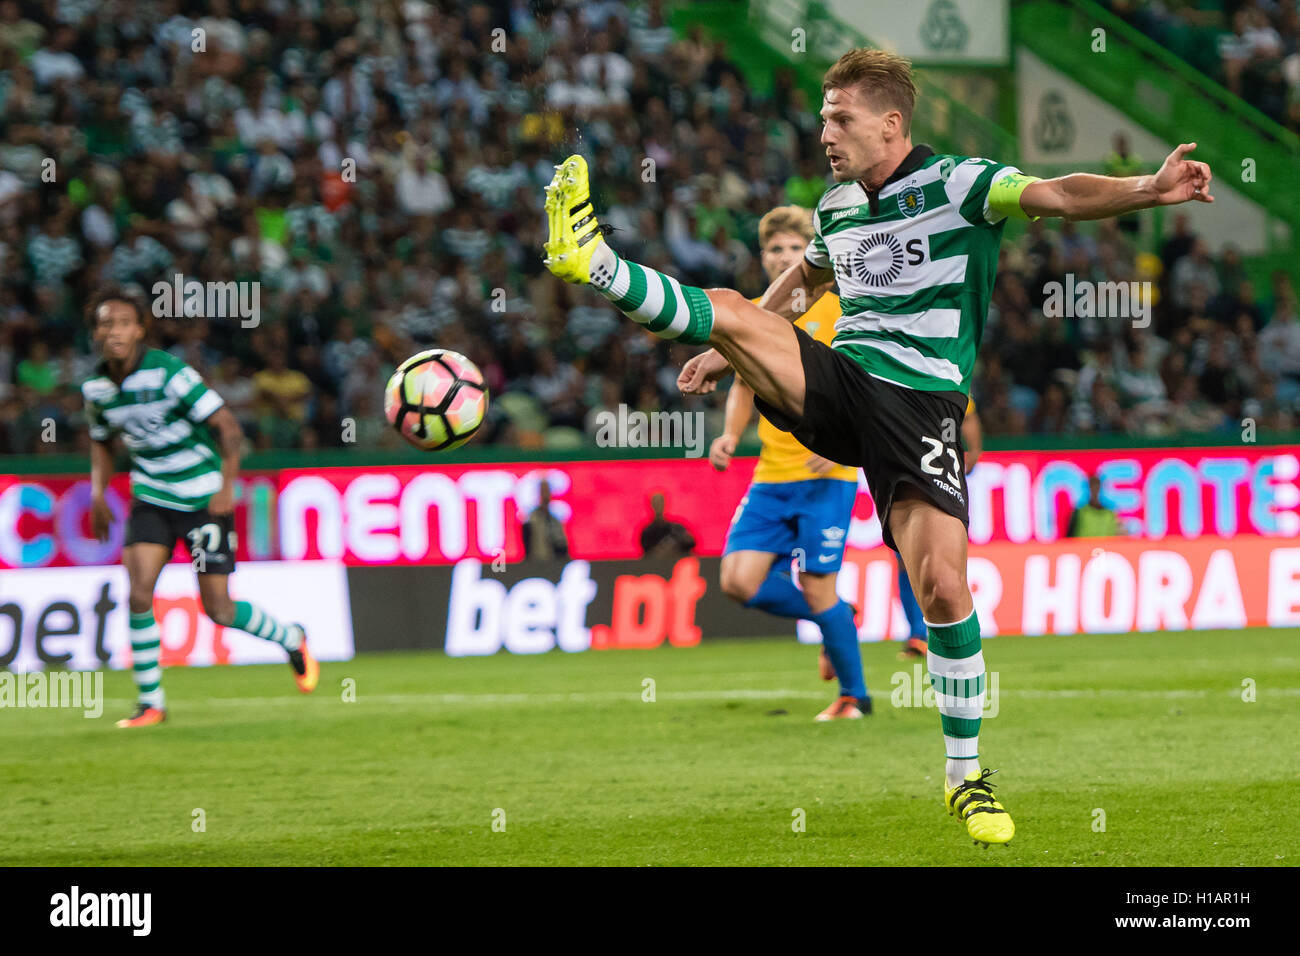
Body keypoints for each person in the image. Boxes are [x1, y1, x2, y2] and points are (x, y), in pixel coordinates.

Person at [541, 47, 1213, 846]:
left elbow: (1061, 194)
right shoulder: (834, 208)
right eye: (824, 117)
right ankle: (593, 258)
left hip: (919, 405)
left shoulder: (963, 184)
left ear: (890, 123)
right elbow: (807, 282)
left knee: (940, 586)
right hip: (840, 383)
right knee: (724, 303)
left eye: (841, 118)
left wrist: (1149, 187)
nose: (825, 132)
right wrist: (733, 344)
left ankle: (965, 775)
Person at [82, 286, 318, 728]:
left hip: (202, 497)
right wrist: (98, 492)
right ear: (95, 332)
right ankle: (151, 702)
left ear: (139, 329)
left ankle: (291, 637)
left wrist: (227, 485)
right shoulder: (95, 386)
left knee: (219, 610)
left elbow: (227, 428)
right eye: (105, 323)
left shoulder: (172, 374)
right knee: (137, 593)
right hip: (150, 496)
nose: (113, 330)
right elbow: (101, 441)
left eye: (122, 323)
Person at [710, 204, 867, 721]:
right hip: (772, 476)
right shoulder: (755, 313)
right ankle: (837, 620)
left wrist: (837, 441)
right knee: (737, 581)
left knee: (817, 584)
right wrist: (731, 434)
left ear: (811, 257)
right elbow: (741, 381)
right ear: (763, 257)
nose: (783, 257)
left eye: (794, 250)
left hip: (827, 474)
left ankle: (854, 699)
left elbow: (859, 384)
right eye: (775, 249)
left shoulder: (840, 310)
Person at [897, 399, 982, 659]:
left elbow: (968, 416)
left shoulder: (941, 375)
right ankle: (917, 633)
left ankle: (944, 631)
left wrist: (975, 450)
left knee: (941, 560)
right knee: (906, 559)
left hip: (941, 474)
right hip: (903, 469)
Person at [520, 479, 570, 561]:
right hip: (537, 563)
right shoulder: (531, 519)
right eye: (543, 491)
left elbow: (562, 544)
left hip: (554, 563)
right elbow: (527, 545)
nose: (546, 494)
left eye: (547, 490)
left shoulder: (555, 519)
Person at [638, 493, 695, 559]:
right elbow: (647, 555)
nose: (658, 505)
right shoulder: (647, 532)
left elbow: (689, 545)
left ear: (664, 504)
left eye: (660, 502)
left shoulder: (676, 528)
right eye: (656, 503)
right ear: (651, 505)